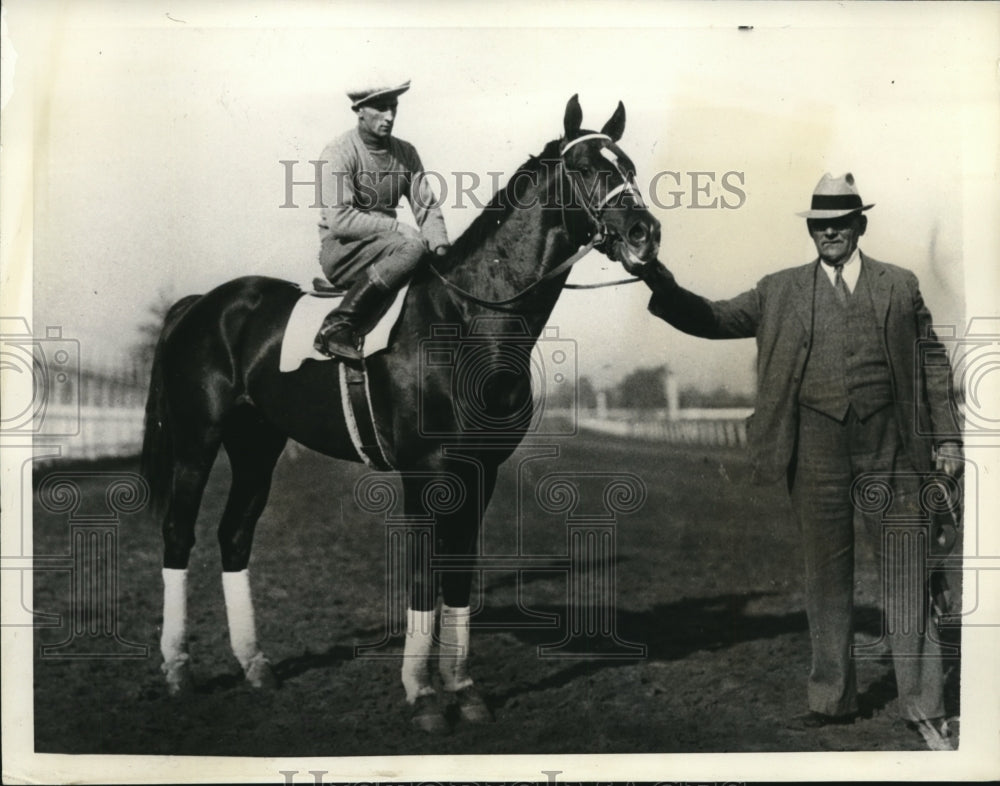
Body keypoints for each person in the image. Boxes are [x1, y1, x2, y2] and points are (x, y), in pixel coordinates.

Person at [626, 172, 963, 748]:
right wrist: (652, 272)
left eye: (839, 222)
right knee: (825, 578)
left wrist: (948, 440)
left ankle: (923, 704)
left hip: (892, 448)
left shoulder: (899, 285)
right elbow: (709, 316)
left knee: (905, 572)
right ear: (812, 231)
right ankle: (831, 700)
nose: (829, 232)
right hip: (814, 450)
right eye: (819, 224)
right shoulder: (777, 290)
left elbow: (932, 363)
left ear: (860, 225)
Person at [314, 80, 451, 361]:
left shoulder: (406, 153)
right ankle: (338, 323)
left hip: (388, 247)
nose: (389, 116)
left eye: (394, 107)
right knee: (412, 248)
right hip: (344, 250)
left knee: (429, 257)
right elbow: (340, 220)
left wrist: (443, 251)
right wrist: (396, 226)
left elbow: (426, 208)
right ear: (360, 110)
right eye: (380, 108)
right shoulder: (338, 152)